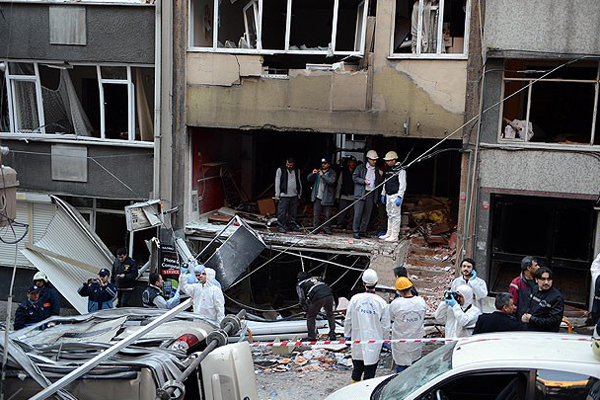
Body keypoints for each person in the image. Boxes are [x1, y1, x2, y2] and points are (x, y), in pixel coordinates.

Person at [344, 269, 390, 382]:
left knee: (357, 370)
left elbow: (348, 319)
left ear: (363, 283)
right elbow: (385, 326)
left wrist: (347, 335)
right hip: (374, 343)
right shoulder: (381, 303)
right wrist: (385, 341)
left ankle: (353, 393)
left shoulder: (355, 299)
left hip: (357, 341)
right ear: (376, 282)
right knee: (370, 374)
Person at [388, 277, 427, 372]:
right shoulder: (421, 301)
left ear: (399, 291)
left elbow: (391, 318)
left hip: (400, 342)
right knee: (414, 368)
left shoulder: (396, 304)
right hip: (416, 341)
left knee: (401, 368)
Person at [296, 271, 337, 341]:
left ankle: (311, 337)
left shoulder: (300, 284)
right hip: (329, 294)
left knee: (311, 317)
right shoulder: (317, 278)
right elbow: (324, 286)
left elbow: (302, 298)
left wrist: (306, 308)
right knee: (330, 314)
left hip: (318, 297)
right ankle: (332, 333)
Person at [521, 267, 564, 332]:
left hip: (545, 334)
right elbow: (529, 306)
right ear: (536, 280)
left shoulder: (556, 297)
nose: (546, 282)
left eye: (549, 279)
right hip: (530, 330)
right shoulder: (534, 289)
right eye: (543, 279)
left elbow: (554, 321)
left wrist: (532, 319)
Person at [379, 151, 406, 242]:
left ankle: (394, 235)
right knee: (389, 214)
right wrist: (383, 193)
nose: (387, 162)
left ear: (394, 160)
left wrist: (400, 196)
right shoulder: (389, 170)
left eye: (388, 161)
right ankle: (389, 233)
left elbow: (403, 184)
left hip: (395, 195)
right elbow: (385, 182)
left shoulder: (400, 170)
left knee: (395, 216)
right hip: (388, 195)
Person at [352, 150, 379, 239]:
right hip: (361, 193)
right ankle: (355, 231)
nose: (375, 161)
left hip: (370, 193)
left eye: (375, 160)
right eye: (373, 160)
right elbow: (354, 177)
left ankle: (362, 231)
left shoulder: (377, 170)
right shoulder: (360, 167)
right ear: (368, 159)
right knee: (358, 214)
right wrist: (363, 181)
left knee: (367, 214)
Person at [307, 158, 337, 235]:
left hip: (327, 197)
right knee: (316, 214)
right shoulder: (318, 171)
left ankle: (327, 229)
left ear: (329, 164)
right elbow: (309, 179)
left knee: (327, 215)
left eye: (325, 163)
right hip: (317, 196)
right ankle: (315, 228)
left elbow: (331, 181)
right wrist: (312, 174)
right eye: (322, 163)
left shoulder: (332, 173)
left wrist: (322, 175)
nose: (323, 165)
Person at [274, 158, 303, 233]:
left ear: (293, 164)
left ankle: (291, 225)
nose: (289, 166)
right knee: (282, 212)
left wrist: (299, 192)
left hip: (294, 195)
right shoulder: (280, 170)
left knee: (293, 212)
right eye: (288, 164)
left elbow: (298, 181)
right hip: (284, 194)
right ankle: (281, 226)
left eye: (291, 165)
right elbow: (277, 181)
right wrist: (277, 194)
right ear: (286, 163)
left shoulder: (297, 170)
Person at [335, 156, 357, 230]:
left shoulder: (357, 172)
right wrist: (337, 196)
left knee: (352, 213)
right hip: (344, 195)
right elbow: (339, 183)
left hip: (353, 195)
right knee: (342, 212)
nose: (352, 164)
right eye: (351, 162)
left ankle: (350, 226)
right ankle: (340, 224)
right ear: (348, 163)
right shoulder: (343, 172)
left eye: (354, 163)